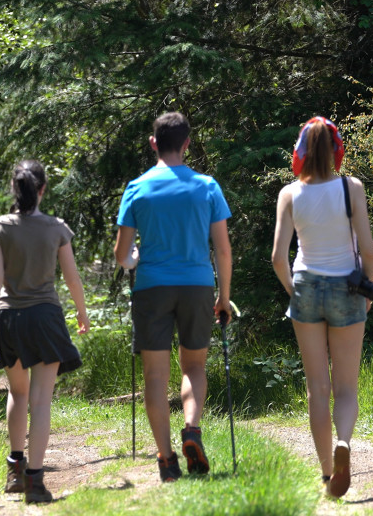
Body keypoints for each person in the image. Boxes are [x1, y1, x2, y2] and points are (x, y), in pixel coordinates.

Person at [114, 111, 233, 482]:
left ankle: (167, 460)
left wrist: (135, 258)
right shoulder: (207, 186)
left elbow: (123, 255)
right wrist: (224, 297)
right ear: (187, 144)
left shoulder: (137, 188)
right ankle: (192, 429)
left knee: (155, 375)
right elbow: (223, 249)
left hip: (152, 287)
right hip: (197, 284)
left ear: (153, 143)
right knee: (193, 366)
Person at [271, 116, 373, 498]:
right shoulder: (352, 188)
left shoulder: (289, 194)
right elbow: (368, 249)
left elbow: (278, 258)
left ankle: (327, 475)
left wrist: (294, 291)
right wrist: (367, 291)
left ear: (300, 151)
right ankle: (344, 441)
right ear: (335, 150)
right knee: (346, 387)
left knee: (318, 388)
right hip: (347, 286)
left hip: (306, 285)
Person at [0, 159, 91, 504]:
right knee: (41, 399)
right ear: (43, 189)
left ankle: (15, 471)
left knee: (18, 393)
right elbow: (71, 277)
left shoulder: (0, 227)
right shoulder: (56, 228)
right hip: (45, 317)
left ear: (14, 188)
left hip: (9, 318)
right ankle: (35, 481)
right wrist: (82, 311)